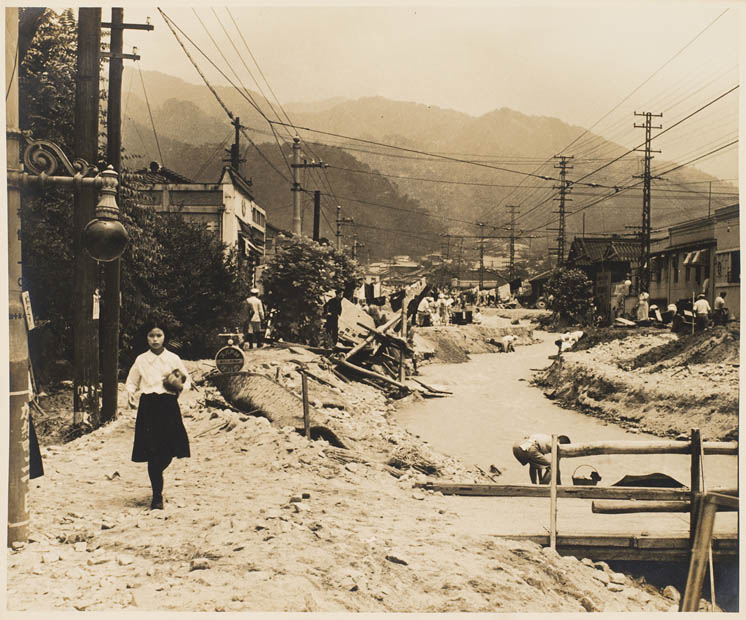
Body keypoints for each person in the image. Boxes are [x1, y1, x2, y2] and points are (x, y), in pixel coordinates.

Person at [127, 322, 191, 510]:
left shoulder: (173, 358)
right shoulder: (141, 360)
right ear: (146, 338)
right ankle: (157, 495)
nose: (155, 339)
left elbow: (187, 381)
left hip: (168, 405)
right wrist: (130, 393)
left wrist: (178, 386)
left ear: (164, 337)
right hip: (148, 406)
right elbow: (132, 381)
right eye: (151, 336)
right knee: (153, 450)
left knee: (169, 450)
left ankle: (157, 471)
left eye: (159, 335)